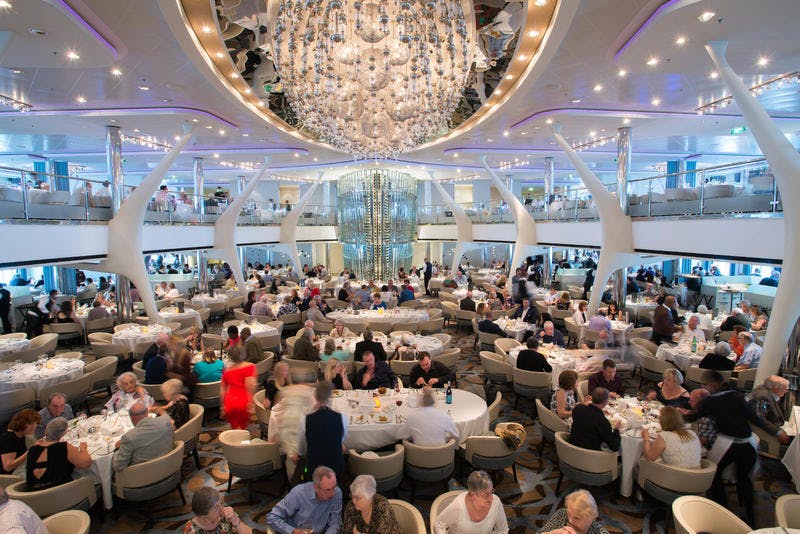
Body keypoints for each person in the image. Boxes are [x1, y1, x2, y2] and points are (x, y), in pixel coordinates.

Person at [683, 371, 788, 526]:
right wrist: (778, 432)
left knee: (714, 474)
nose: (703, 387)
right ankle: (751, 518)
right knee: (745, 479)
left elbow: (692, 418)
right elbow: (756, 419)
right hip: (748, 444)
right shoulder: (738, 395)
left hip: (728, 444)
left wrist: (677, 413)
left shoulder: (709, 401)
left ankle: (721, 511)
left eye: (704, 384)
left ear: (712, 385)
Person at [266, 465, 342, 534]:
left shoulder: (337, 492)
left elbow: (335, 522)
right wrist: (293, 531)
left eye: (334, 487)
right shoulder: (298, 494)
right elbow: (272, 517)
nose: (332, 493)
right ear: (316, 488)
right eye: (327, 490)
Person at [25, 417, 91, 491]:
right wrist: (83, 449)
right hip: (62, 494)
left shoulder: (32, 449)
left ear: (46, 432)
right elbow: (85, 463)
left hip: (33, 497)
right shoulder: (64, 447)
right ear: (64, 433)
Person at [433, 470, 508, 534]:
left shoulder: (496, 502)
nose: (491, 498)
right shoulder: (458, 506)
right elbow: (439, 524)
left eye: (491, 491)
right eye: (486, 495)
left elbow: (502, 530)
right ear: (473, 494)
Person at [298, 382, 348, 478]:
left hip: (313, 468)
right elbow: (340, 441)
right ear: (330, 397)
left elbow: (301, 448)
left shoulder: (304, 419)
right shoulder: (342, 418)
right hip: (336, 468)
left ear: (315, 397)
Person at [112, 402, 175, 472]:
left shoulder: (129, 437)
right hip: (169, 466)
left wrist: (117, 450)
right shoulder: (166, 420)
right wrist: (161, 410)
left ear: (131, 418)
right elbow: (165, 416)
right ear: (147, 413)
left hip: (144, 476)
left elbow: (118, 467)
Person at [184, 486, 252, 534]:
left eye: (221, 503)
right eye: (216, 507)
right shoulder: (192, 531)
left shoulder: (225, 515)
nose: (222, 508)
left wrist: (236, 520)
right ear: (203, 515)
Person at [537, 489, 609, 534]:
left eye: (576, 518)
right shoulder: (562, 514)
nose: (570, 520)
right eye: (569, 513)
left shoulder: (599, 532)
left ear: (591, 518)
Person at [221, 344, 256, 430]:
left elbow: (222, 391)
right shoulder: (250, 367)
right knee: (242, 430)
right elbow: (250, 386)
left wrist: (222, 406)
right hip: (243, 401)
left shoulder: (226, 371)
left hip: (229, 402)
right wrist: (251, 403)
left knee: (235, 428)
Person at [1, 409, 40, 475]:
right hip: (9, 476)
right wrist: (30, 451)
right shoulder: (8, 438)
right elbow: (8, 467)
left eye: (35, 423)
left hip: (19, 469)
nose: (34, 427)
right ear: (21, 422)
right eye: (30, 424)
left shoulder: (21, 435)